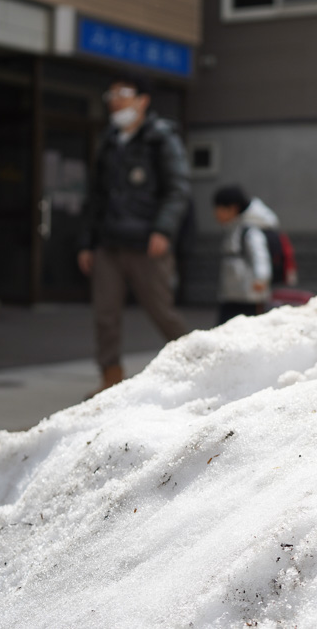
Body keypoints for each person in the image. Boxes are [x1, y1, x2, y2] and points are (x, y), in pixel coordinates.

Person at [78, 72, 192, 395]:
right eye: (111, 94)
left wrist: (163, 229)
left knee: (162, 312)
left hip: (148, 242)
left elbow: (178, 189)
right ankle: (110, 377)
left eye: (123, 92)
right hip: (108, 243)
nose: (115, 100)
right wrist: (87, 242)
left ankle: (197, 363)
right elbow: (95, 197)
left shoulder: (161, 138)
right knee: (105, 315)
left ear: (143, 100)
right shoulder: (108, 141)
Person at [212, 184, 278, 325]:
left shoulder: (249, 231)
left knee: (246, 329)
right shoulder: (233, 228)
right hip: (231, 294)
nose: (216, 214)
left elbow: (260, 256)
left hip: (249, 296)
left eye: (219, 209)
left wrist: (261, 278)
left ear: (233, 208)